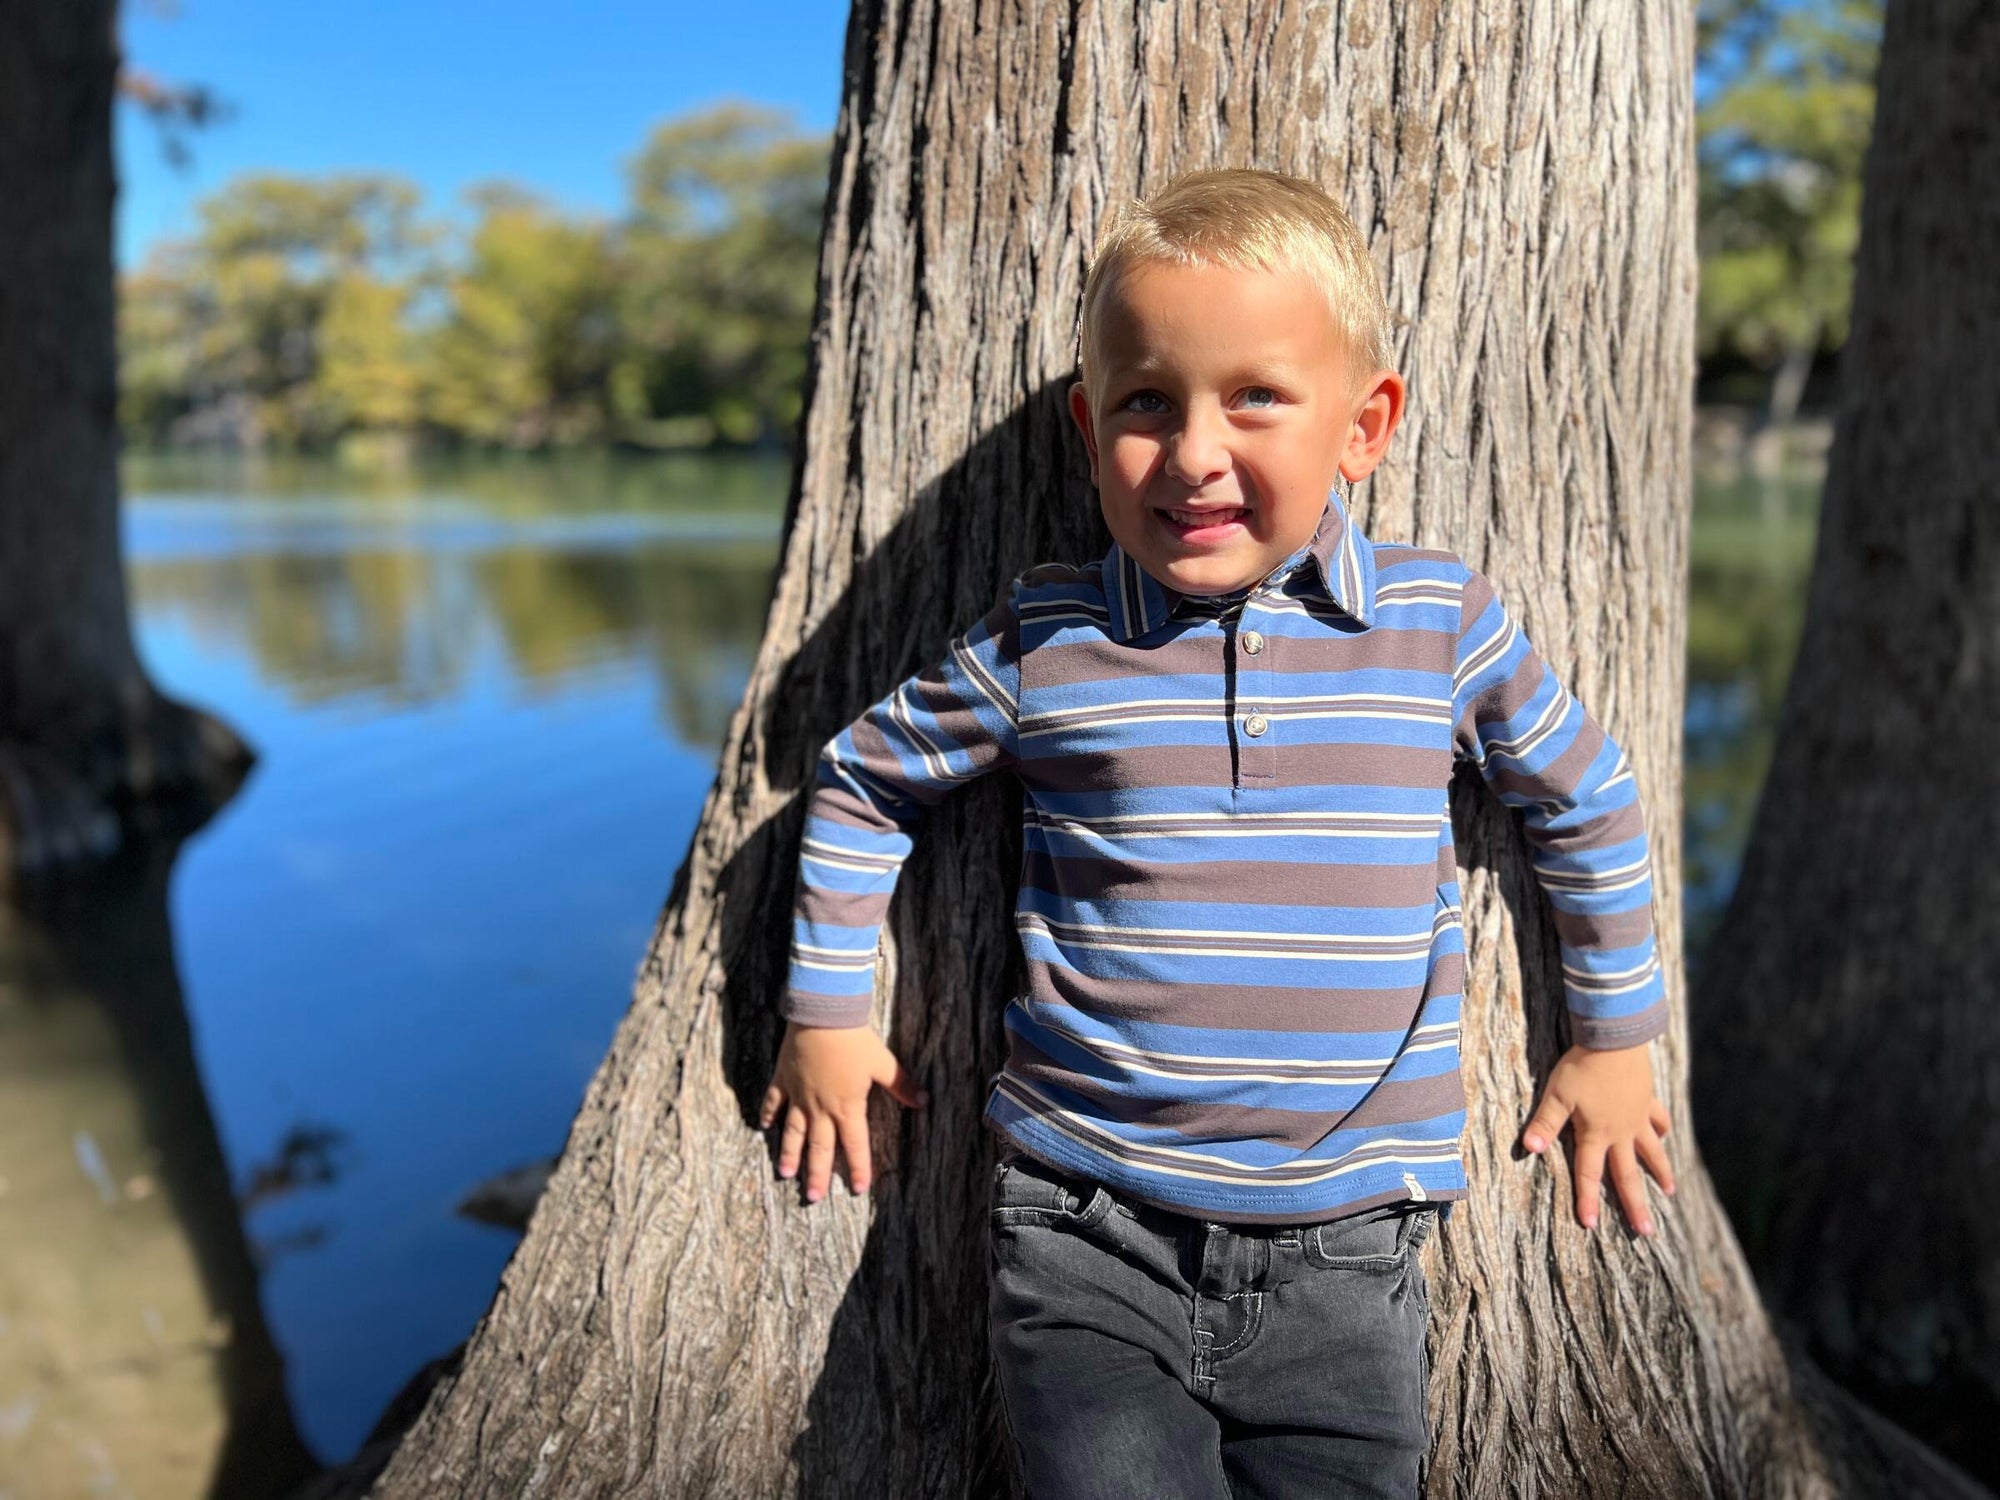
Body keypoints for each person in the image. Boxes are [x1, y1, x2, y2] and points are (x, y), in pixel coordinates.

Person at [757, 167, 1677, 1499]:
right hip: (1088, 1229)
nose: (1193, 452)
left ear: (1365, 426)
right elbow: (860, 783)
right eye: (1146, 403)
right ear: (1088, 429)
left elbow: (1584, 799)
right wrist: (830, 1017)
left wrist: (1616, 1044)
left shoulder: (1434, 623)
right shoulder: (1047, 637)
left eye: (1255, 397)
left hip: (1346, 1245)